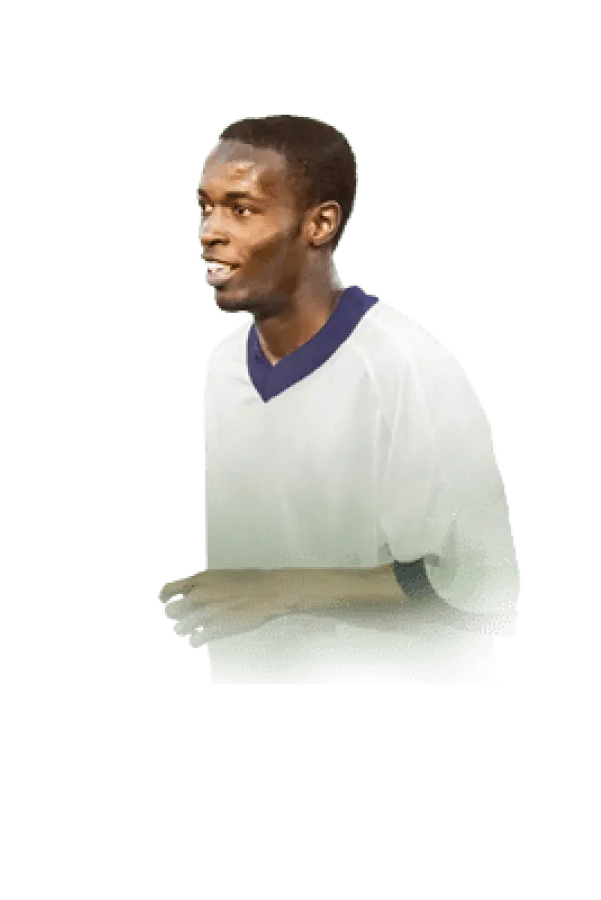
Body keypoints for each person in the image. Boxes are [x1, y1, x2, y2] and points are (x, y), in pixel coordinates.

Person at [161, 114, 520, 686]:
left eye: (242, 209)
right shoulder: (221, 366)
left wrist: (276, 591)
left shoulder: (409, 362)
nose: (210, 232)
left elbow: (482, 586)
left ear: (321, 223)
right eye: (206, 208)